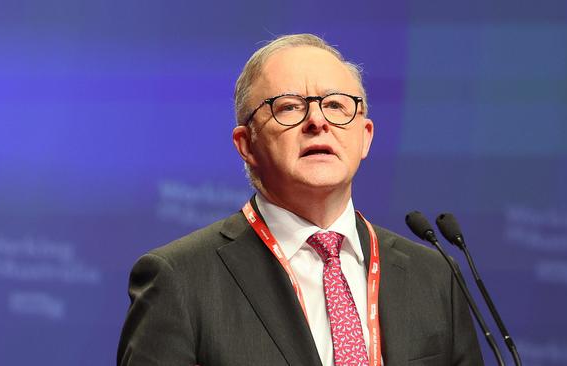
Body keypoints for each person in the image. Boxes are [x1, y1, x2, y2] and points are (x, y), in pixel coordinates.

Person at [117, 33, 484, 366]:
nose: (317, 121)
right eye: (289, 106)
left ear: (365, 137)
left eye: (337, 106)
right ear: (246, 144)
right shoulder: (179, 280)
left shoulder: (435, 277)